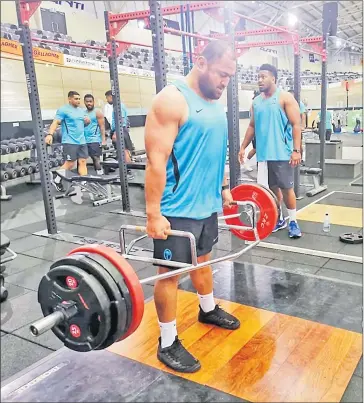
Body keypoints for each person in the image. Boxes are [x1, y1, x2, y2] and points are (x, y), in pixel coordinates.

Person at [144, 40, 240, 374]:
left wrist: (224, 188)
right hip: (176, 209)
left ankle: (207, 308)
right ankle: (167, 341)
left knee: (203, 261)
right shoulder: (171, 100)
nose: (225, 82)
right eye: (221, 74)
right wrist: (154, 214)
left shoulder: (215, 101)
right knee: (169, 275)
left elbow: (216, 149)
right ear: (201, 62)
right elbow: (156, 161)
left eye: (229, 76)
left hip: (207, 204)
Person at [238, 64, 302, 239]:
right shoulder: (256, 102)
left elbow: (297, 125)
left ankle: (293, 222)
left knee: (287, 188)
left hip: (283, 153)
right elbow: (252, 126)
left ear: (273, 78)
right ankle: (279, 218)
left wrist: (296, 150)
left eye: (263, 76)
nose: (260, 80)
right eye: (258, 77)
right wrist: (243, 147)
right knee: (272, 190)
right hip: (264, 155)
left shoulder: (285, 98)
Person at [45, 91, 90, 191]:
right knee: (70, 163)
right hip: (70, 141)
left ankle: (84, 182)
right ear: (69, 99)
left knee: (82, 161)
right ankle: (56, 180)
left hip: (82, 140)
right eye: (76, 99)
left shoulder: (81, 111)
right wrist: (50, 134)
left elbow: (82, 125)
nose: (78, 101)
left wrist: (87, 122)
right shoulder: (63, 110)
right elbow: (55, 122)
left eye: (79, 99)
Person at [84, 94, 106, 175]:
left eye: (90, 101)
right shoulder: (83, 113)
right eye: (87, 102)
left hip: (95, 139)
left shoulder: (97, 112)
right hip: (84, 139)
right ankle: (83, 180)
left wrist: (103, 140)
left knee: (95, 158)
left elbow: (102, 127)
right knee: (82, 159)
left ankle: (100, 175)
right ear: (84, 102)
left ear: (93, 102)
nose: (89, 103)